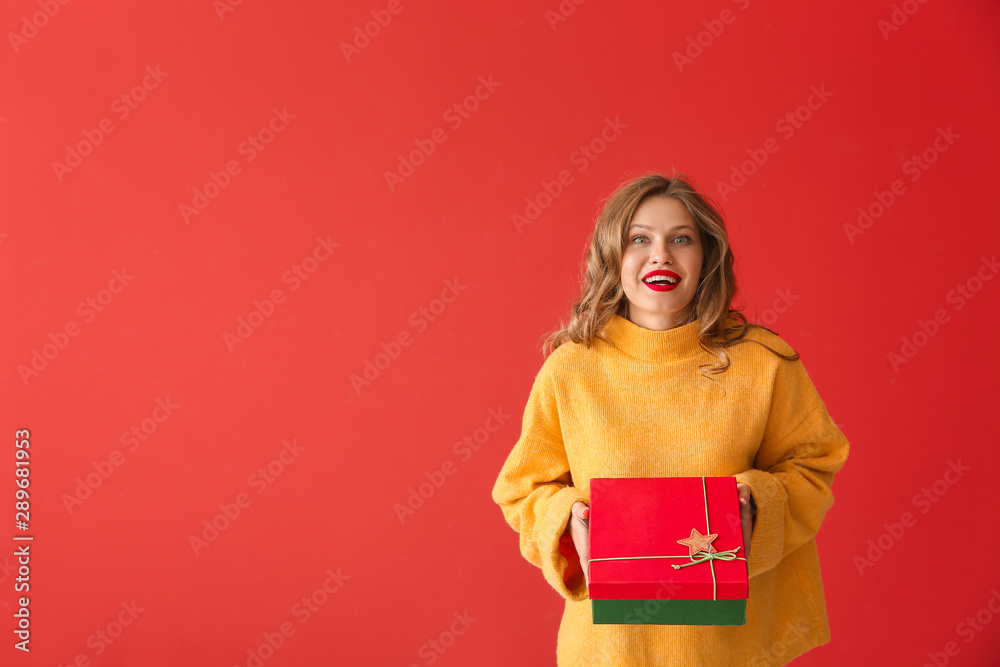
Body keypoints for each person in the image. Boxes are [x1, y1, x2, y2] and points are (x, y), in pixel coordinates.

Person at [490, 172, 850, 666]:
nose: (661, 255)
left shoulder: (764, 362)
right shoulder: (571, 370)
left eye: (681, 239)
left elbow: (815, 465)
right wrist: (566, 517)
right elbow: (523, 489)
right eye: (640, 239)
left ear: (707, 257)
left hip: (733, 648)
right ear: (613, 257)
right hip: (610, 650)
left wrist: (755, 504)